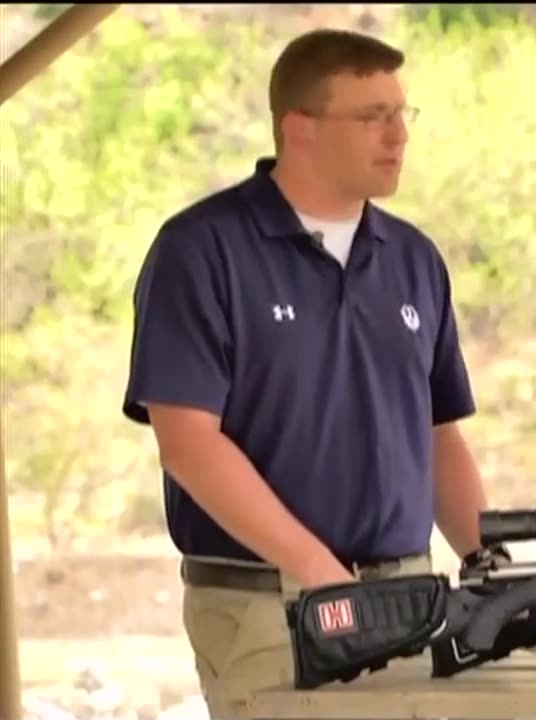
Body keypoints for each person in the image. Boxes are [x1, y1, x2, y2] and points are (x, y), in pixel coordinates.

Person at [121, 29, 508, 719]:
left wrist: (493, 567)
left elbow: (438, 433)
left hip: (407, 600)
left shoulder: (414, 259)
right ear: (299, 129)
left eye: (401, 114)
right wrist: (321, 574)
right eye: (371, 117)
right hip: (267, 606)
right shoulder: (201, 251)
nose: (398, 136)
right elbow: (187, 444)